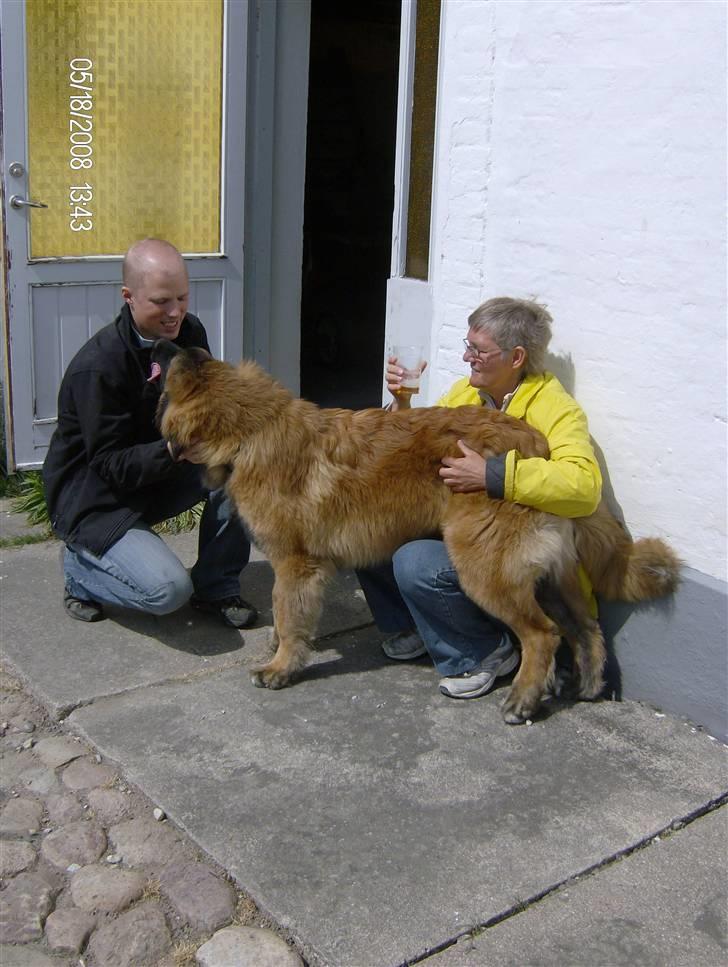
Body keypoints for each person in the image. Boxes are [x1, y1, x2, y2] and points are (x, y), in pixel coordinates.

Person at [357, 296, 602, 700]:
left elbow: (583, 486)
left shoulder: (555, 408)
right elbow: (418, 448)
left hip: (513, 541)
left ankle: (482, 652)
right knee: (368, 532)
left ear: (516, 356)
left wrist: (492, 474)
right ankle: (419, 626)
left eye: (478, 350)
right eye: (467, 345)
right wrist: (402, 403)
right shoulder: (464, 395)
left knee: (415, 563)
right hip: (464, 522)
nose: (466, 356)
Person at [43, 238, 257, 628]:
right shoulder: (98, 367)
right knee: (167, 593)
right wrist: (174, 450)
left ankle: (216, 586)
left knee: (240, 471)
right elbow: (109, 465)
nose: (175, 312)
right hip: (96, 499)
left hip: (157, 475)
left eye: (182, 297)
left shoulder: (189, 332)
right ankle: (80, 570)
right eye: (161, 301)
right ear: (129, 296)